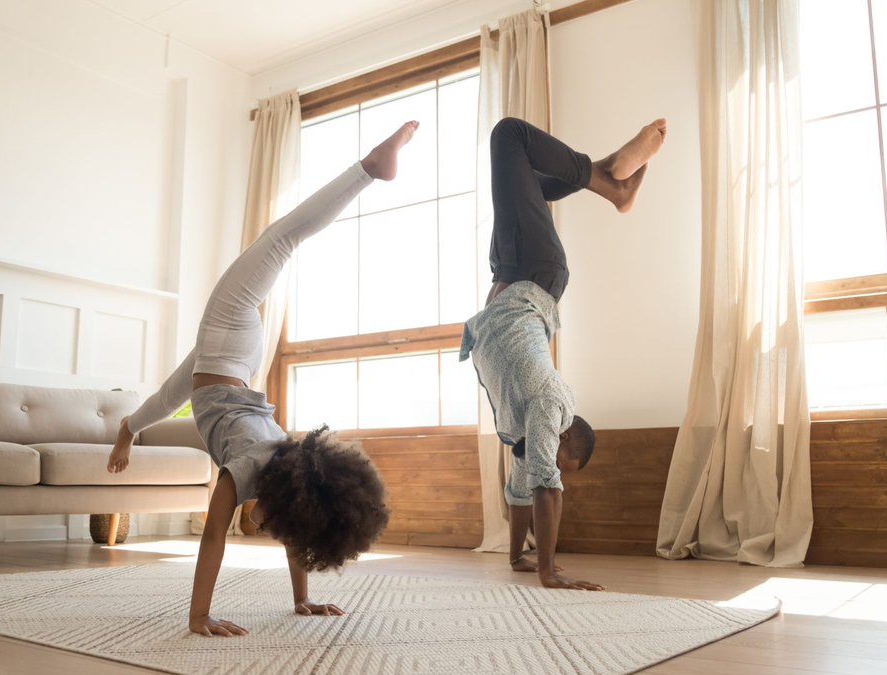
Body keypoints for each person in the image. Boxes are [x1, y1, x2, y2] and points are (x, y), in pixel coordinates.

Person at [106, 121, 420, 637]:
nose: (279, 531)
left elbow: (259, 536)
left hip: (225, 373)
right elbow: (219, 538)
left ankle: (128, 427)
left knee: (171, 392)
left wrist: (302, 599)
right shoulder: (259, 466)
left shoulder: (275, 468)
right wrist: (201, 616)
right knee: (282, 237)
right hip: (232, 358)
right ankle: (370, 168)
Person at [460, 116, 666, 590]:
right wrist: (549, 572)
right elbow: (545, 487)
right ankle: (611, 184)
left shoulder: (521, 435)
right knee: (508, 135)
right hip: (535, 274)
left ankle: (602, 174)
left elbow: (518, 496)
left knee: (526, 176)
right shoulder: (552, 405)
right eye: (558, 456)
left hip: (510, 269)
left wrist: (518, 559)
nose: (547, 461)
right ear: (565, 435)